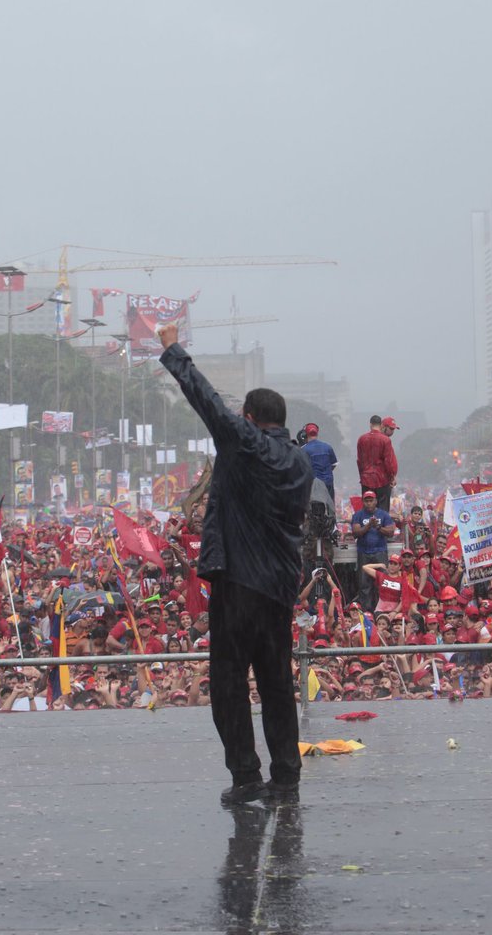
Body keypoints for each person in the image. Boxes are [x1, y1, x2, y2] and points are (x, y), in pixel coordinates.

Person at [158, 321, 313, 806]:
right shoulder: (301, 462)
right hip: (279, 589)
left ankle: (246, 775)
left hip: (240, 584)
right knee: (276, 684)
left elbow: (205, 401)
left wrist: (172, 350)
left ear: (248, 418)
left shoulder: (245, 446)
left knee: (228, 684)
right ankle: (286, 776)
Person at [351, 491, 395, 611]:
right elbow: (356, 533)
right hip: (364, 553)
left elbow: (391, 532)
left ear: (376, 501)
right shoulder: (358, 515)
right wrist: (368, 525)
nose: (369, 503)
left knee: (382, 583)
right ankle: (367, 612)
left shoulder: (384, 515)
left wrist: (379, 527)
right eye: (367, 500)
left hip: (380, 552)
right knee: (364, 585)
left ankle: (382, 610)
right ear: (363, 502)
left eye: (371, 500)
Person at [356, 415, 398, 513]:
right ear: (381, 425)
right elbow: (388, 461)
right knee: (382, 510)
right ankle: (380, 526)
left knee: (367, 508)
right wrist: (391, 477)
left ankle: (367, 526)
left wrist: (362, 476)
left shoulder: (362, 439)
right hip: (382, 479)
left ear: (370, 424)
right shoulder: (385, 440)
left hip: (366, 479)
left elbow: (359, 460)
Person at [300, 423, 337, 499]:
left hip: (313, 485)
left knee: (314, 508)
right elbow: (334, 464)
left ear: (305, 434)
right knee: (330, 506)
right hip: (328, 483)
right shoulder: (328, 447)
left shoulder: (303, 450)